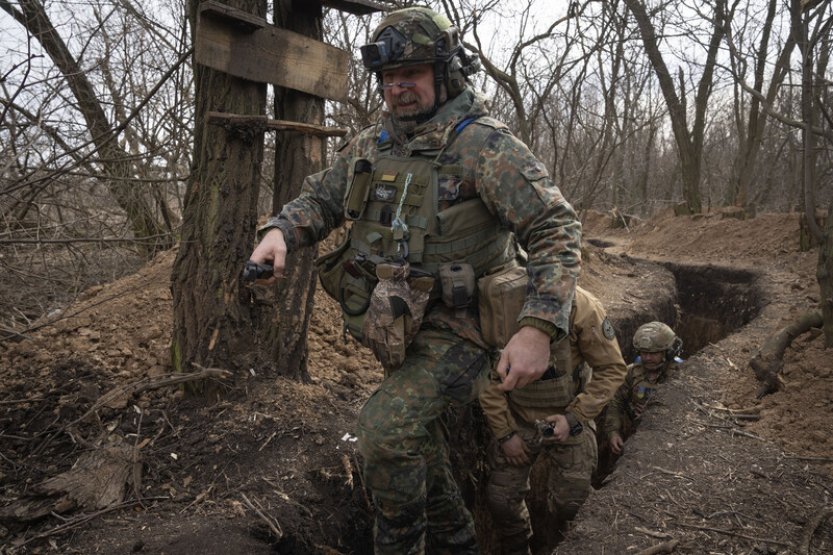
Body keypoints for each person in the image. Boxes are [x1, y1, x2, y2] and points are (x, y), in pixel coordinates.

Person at [249, 6, 582, 553]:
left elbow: (555, 227)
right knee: (416, 440)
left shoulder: (484, 146)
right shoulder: (375, 143)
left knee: (384, 432)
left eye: (411, 74)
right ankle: (458, 540)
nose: (397, 88)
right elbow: (322, 198)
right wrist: (281, 232)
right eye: (388, 78)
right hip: (399, 324)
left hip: (463, 329)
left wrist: (538, 327)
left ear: (446, 73)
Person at [479, 286, 627, 554]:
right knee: (501, 501)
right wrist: (505, 433)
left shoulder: (582, 307)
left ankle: (560, 546)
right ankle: (517, 548)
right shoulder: (499, 302)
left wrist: (574, 418)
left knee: (572, 504)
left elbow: (612, 369)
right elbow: (487, 380)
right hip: (519, 421)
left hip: (570, 417)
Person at [603, 321, 683, 456]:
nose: (647, 358)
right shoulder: (631, 372)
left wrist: (653, 413)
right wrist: (613, 432)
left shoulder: (681, 375)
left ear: (668, 352)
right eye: (644, 353)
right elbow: (616, 403)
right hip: (633, 435)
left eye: (653, 353)